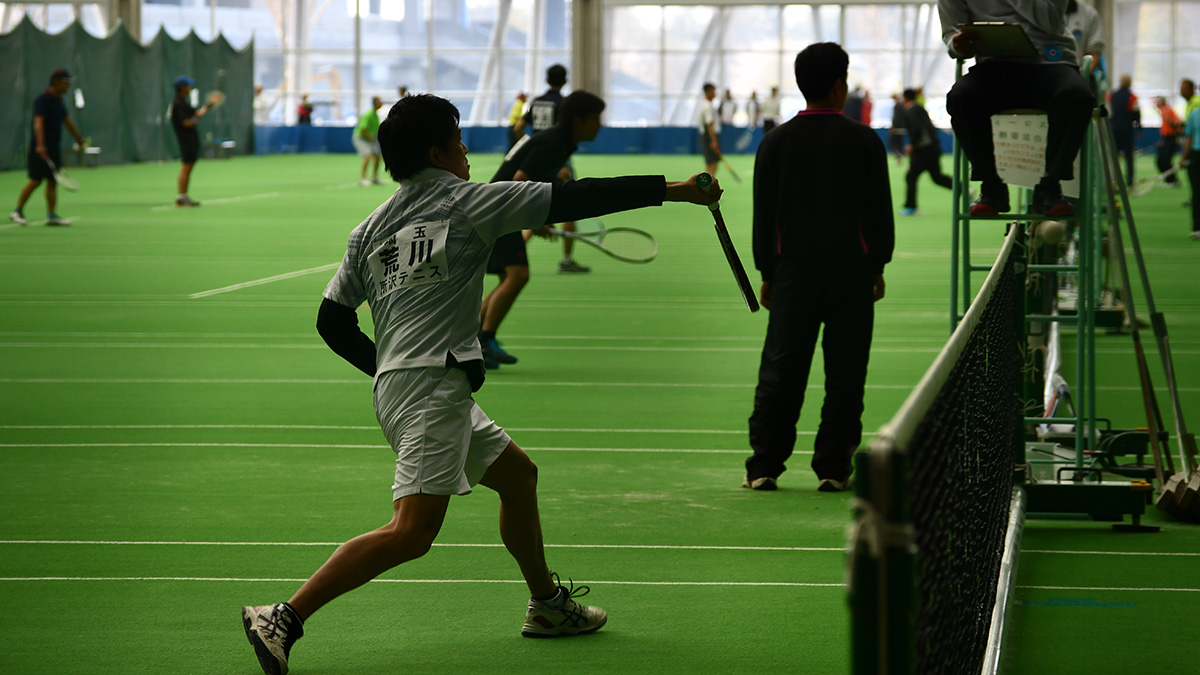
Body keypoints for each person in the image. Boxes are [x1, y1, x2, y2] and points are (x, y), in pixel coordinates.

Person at [238, 92, 722, 675]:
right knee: (412, 532)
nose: (467, 150)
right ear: (437, 152)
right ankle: (284, 615)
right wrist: (676, 190)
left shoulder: (369, 229)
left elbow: (331, 320)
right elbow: (579, 195)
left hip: (408, 386)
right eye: (459, 139)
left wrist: (390, 368)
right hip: (431, 391)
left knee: (518, 477)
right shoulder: (469, 203)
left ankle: (547, 607)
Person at [743, 43, 894, 493]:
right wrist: (877, 264)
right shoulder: (865, 140)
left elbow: (764, 216)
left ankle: (764, 465)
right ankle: (833, 467)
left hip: (793, 273)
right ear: (838, 85)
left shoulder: (775, 142)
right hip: (852, 273)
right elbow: (878, 213)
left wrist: (767, 271)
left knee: (781, 369)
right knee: (846, 371)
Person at [480, 92, 607, 368]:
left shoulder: (559, 142)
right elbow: (519, 181)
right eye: (596, 119)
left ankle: (472, 338)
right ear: (579, 120)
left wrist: (540, 217)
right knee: (517, 275)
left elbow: (533, 181)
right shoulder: (553, 143)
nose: (600, 125)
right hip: (499, 213)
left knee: (509, 277)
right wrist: (534, 221)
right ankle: (483, 340)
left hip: (499, 211)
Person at [939, 0, 1095, 217]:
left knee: (1077, 96)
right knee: (961, 97)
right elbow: (951, 34)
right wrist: (957, 45)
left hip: (1052, 62)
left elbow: (1050, 21)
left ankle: (1050, 185)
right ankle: (991, 187)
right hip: (994, 65)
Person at [524, 64, 588, 273]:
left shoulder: (536, 102)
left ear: (546, 79)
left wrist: (530, 149)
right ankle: (567, 260)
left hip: (535, 159)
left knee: (535, 208)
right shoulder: (563, 104)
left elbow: (517, 128)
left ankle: (510, 254)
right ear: (565, 80)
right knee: (572, 208)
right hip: (559, 161)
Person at [10, 68, 86, 227]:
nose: (68, 87)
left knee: (52, 181)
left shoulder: (59, 101)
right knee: (36, 181)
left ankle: (51, 215)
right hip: (40, 148)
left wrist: (79, 139)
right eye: (66, 83)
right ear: (57, 82)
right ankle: (17, 211)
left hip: (53, 147)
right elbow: (38, 123)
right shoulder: (42, 100)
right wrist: (40, 145)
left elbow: (67, 121)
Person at [899, 88, 953, 215]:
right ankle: (963, 190)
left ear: (905, 98)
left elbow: (918, 130)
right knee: (937, 177)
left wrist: (912, 144)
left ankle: (911, 207)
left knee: (911, 176)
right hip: (932, 148)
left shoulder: (911, 111)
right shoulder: (919, 109)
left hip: (924, 150)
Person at [170, 75, 215, 207]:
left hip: (191, 139)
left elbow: (197, 113)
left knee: (188, 168)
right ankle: (181, 197)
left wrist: (209, 105)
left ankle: (184, 196)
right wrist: (194, 121)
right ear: (182, 88)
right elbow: (186, 123)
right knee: (186, 167)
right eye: (188, 86)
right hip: (186, 140)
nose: (190, 88)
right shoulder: (177, 103)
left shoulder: (183, 102)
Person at [1108, 75, 1140, 186]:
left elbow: (1108, 112)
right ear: (1129, 83)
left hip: (1114, 129)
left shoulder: (1111, 95)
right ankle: (1130, 182)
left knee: (1114, 157)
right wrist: (1139, 128)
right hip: (1127, 129)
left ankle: (1114, 181)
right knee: (1129, 157)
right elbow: (1136, 113)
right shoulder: (1132, 97)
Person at [1066, 0, 1105, 80]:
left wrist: (1080, 80)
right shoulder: (1040, 11)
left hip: (1076, 76)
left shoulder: (1089, 14)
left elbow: (1094, 52)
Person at [354, 96, 384, 186]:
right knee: (368, 156)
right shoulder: (368, 115)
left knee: (378, 157)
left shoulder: (375, 115)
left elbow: (377, 129)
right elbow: (363, 129)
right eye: (380, 101)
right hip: (360, 138)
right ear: (375, 103)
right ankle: (362, 179)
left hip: (370, 138)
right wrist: (371, 138)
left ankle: (375, 177)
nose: (381, 103)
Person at [1182, 100, 1200, 238]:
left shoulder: (1194, 113)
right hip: (1196, 156)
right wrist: (1184, 157)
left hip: (1195, 155)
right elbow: (1189, 137)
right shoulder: (1194, 114)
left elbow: (1189, 137)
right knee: (1196, 192)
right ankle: (1197, 227)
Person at [1156, 97, 1183, 185]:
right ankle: (1170, 180)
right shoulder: (1165, 110)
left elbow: (1177, 123)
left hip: (1171, 138)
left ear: (1161, 103)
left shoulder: (1166, 110)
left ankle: (1173, 181)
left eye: (1157, 102)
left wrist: (1174, 134)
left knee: (1164, 160)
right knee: (1162, 160)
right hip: (1167, 138)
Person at [699, 83, 722, 175]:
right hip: (709, 137)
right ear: (708, 92)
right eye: (713, 91)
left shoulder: (708, 105)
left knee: (711, 164)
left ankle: (705, 185)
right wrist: (714, 141)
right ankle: (707, 186)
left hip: (708, 136)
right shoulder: (707, 106)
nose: (714, 93)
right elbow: (709, 124)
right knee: (713, 164)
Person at [889, 92, 908, 165]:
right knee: (900, 144)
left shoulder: (897, 106)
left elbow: (896, 117)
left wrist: (894, 126)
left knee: (893, 143)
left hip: (897, 128)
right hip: (902, 128)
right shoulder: (903, 105)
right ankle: (900, 158)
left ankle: (899, 156)